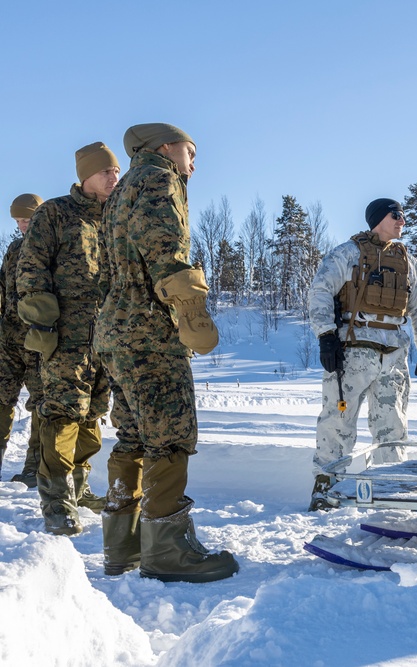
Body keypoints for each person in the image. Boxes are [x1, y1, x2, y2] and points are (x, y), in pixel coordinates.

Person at [97, 123, 238, 581]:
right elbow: (166, 252)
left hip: (115, 330)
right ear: (163, 148)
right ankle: (167, 550)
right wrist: (193, 313)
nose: (193, 162)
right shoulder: (159, 179)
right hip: (149, 333)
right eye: (189, 151)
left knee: (134, 436)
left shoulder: (120, 192)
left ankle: (122, 544)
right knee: (171, 435)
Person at [307, 197, 417, 511]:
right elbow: (320, 290)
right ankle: (325, 488)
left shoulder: (408, 262)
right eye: (397, 215)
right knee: (337, 422)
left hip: (393, 353)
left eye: (404, 216)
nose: (402, 221)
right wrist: (325, 336)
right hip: (352, 351)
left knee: (392, 425)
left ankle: (392, 490)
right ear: (379, 218)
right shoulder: (348, 253)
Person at [16, 144, 117, 535]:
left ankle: (79, 486)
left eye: (116, 171)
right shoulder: (55, 213)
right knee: (62, 413)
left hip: (106, 336)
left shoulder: (115, 217)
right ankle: (56, 501)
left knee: (94, 412)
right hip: (65, 335)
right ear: (85, 175)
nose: (114, 177)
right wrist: (42, 323)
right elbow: (32, 266)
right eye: (107, 171)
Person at [2, 194, 45, 485]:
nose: (21, 226)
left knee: (43, 405)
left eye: (26, 219)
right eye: (18, 221)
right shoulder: (14, 249)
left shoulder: (51, 247)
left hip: (39, 341)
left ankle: (35, 470)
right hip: (8, 340)